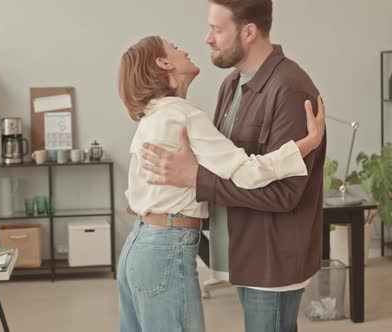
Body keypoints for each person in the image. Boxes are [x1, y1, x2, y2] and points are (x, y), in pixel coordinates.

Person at [140, 1, 327, 331]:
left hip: (272, 262)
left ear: (249, 32)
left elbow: (285, 195)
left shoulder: (289, 90)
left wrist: (196, 178)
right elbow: (228, 166)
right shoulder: (232, 85)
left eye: (217, 29)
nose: (208, 39)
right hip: (244, 254)